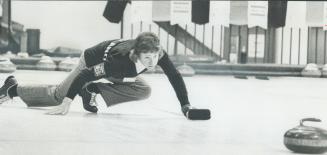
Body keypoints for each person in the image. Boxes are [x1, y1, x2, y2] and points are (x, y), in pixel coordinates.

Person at [0, 32, 210, 120]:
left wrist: (186, 105)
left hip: (120, 71)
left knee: (144, 89)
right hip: (92, 61)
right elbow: (85, 74)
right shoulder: (121, 60)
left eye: (155, 57)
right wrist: (67, 101)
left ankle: (93, 90)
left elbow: (174, 76)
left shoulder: (157, 53)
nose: (152, 63)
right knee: (57, 94)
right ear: (137, 54)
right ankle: (13, 87)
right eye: (147, 58)